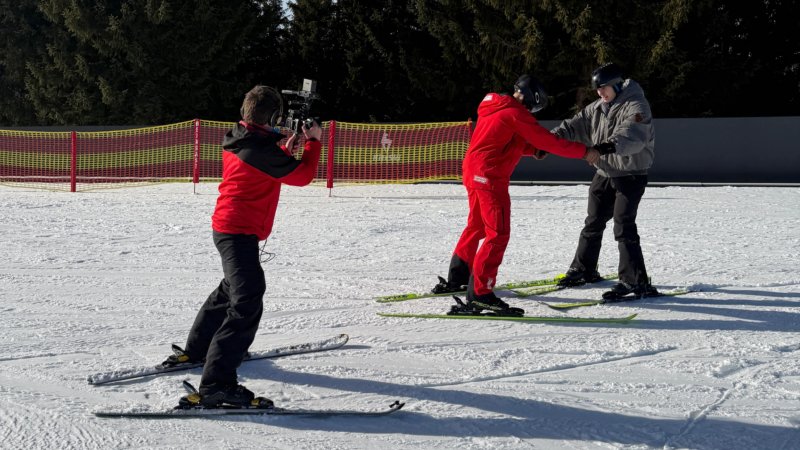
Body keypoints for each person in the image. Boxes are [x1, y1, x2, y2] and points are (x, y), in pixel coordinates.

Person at [163, 85, 322, 407]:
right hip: (237, 232)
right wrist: (314, 142)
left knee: (231, 289)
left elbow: (263, 155)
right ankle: (216, 385)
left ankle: (198, 349)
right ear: (273, 118)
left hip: (231, 229)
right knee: (247, 299)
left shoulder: (240, 137)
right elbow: (302, 177)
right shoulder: (258, 150)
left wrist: (283, 145)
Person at [434, 74, 600, 315]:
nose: (533, 112)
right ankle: (480, 293)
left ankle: (458, 277)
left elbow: (503, 140)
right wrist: (585, 152)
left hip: (473, 171)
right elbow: (548, 141)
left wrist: (533, 150)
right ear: (532, 99)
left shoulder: (494, 107)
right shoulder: (515, 113)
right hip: (490, 177)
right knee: (498, 234)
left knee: (477, 226)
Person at [551, 62, 658, 299]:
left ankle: (635, 281)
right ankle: (584, 269)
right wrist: (549, 141)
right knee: (593, 222)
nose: (600, 93)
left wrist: (602, 148)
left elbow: (632, 135)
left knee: (623, 226)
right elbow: (574, 125)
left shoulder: (636, 105)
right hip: (604, 173)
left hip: (630, 174)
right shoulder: (598, 107)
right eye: (597, 89)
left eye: (604, 88)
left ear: (618, 84)